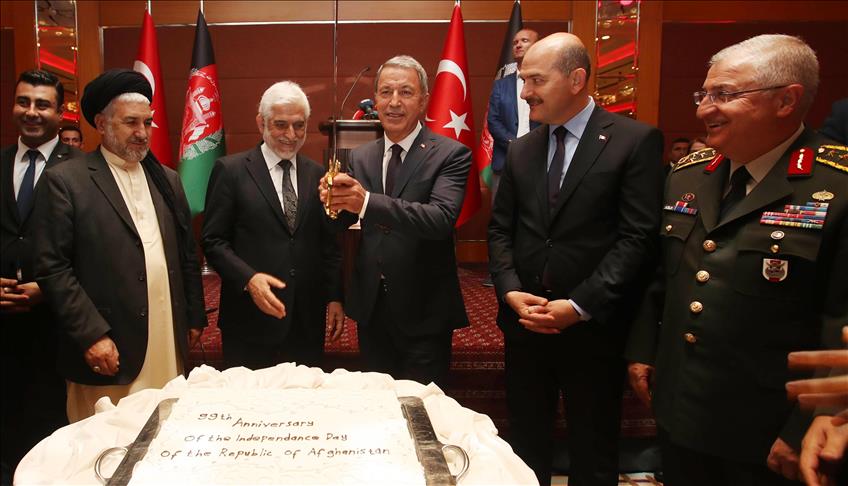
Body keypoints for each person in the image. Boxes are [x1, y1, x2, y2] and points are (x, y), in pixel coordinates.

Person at [625, 34, 847, 486]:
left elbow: (840, 319)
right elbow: (661, 275)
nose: (704, 110)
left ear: (786, 100)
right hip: (682, 409)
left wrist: (806, 425)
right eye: (704, 94)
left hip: (770, 429)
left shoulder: (837, 186)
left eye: (724, 94)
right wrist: (643, 350)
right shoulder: (687, 175)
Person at [487, 33, 664, 486]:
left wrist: (580, 305)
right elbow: (501, 230)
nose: (525, 93)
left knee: (593, 447)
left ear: (576, 79)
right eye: (524, 81)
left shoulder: (634, 141)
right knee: (526, 445)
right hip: (525, 324)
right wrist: (510, 290)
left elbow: (637, 239)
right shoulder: (523, 148)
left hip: (594, 328)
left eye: (536, 80)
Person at [33, 69, 207, 422]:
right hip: (108, 345)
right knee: (105, 440)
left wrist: (193, 315)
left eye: (147, 122)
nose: (142, 132)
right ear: (101, 123)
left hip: (164, 337)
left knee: (162, 430)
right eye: (130, 122)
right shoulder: (66, 181)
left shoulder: (167, 180)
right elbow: (53, 268)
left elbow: (187, 254)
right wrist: (91, 336)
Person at [320, 55, 471, 388]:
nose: (394, 102)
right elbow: (341, 223)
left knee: (421, 406)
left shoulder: (450, 154)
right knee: (378, 402)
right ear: (375, 100)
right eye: (386, 92)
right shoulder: (361, 156)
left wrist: (366, 202)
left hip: (424, 308)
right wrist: (331, 202)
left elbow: (440, 219)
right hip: (372, 306)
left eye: (405, 92)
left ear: (423, 101)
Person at [202, 81, 344, 370]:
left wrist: (334, 297)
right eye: (280, 125)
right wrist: (248, 279)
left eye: (299, 125)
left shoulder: (317, 174)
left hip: (305, 322)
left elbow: (328, 244)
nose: (291, 135)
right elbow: (213, 241)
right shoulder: (230, 171)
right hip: (249, 320)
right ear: (261, 123)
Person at [0, 69, 81, 484]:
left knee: (52, 433)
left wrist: (47, 288)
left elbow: (95, 249)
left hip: (58, 326)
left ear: (60, 112)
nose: (31, 112)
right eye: (23, 102)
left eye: (42, 104)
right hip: (2, 327)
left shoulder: (84, 170)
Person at [487, 28, 540, 200]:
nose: (518, 45)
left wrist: (532, 145)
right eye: (515, 42)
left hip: (539, 160)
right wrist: (514, 145)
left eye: (524, 41)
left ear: (537, 46)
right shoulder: (500, 85)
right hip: (505, 161)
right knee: (501, 212)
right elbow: (493, 121)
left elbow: (551, 117)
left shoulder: (546, 83)